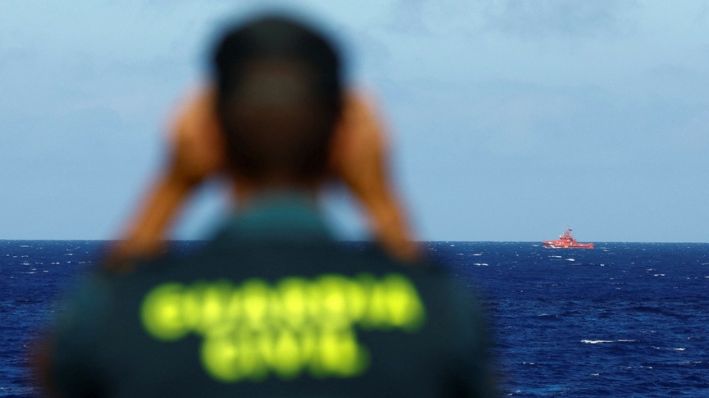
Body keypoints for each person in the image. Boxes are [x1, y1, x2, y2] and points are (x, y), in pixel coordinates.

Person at [38, 14, 495, 397]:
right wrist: (380, 197)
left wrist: (170, 187)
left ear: (206, 133)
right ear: (347, 136)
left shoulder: (121, 310)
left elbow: (60, 369)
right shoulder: (436, 310)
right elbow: (462, 361)